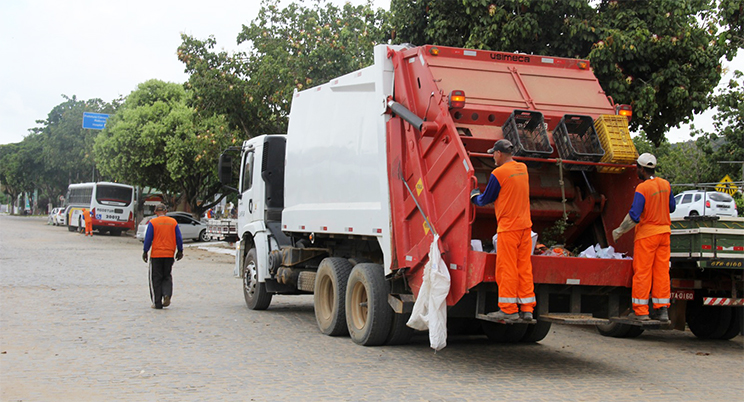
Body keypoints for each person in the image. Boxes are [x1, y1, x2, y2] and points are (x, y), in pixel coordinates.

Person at [470, 139, 536, 321]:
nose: (493, 157)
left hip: (508, 229)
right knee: (524, 268)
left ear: (499, 153)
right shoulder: (522, 169)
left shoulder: (498, 173)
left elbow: (485, 199)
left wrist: (473, 196)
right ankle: (527, 309)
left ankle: (508, 309)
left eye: (493, 154)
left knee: (507, 269)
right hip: (525, 227)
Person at [612, 153, 675, 321]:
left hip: (647, 236)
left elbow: (634, 215)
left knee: (643, 272)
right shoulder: (665, 184)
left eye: (637, 169)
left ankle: (641, 311)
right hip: (665, 235)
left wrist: (619, 231)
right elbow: (672, 207)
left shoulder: (643, 188)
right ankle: (662, 310)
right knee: (661, 273)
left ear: (641, 169)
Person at [142, 203, 184, 309]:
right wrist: (180, 250)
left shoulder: (153, 222)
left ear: (156, 212)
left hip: (156, 254)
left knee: (156, 278)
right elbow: (179, 237)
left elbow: (148, 238)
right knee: (167, 276)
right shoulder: (173, 222)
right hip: (169, 254)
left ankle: (157, 302)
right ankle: (166, 294)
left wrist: (145, 251)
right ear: (166, 211)